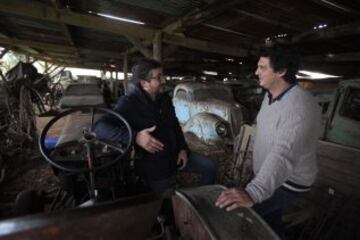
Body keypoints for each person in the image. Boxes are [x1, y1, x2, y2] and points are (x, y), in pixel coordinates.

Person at [215, 44, 322, 237]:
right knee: (270, 222)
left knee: (242, 216)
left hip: (289, 181)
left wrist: (254, 192)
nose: (256, 72)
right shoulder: (270, 96)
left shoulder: (299, 107)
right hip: (271, 175)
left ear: (281, 71)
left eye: (262, 67)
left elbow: (283, 153)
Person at [95, 58, 217, 194]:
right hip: (154, 166)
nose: (164, 81)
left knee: (209, 167)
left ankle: (203, 198)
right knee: (165, 203)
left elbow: (175, 125)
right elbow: (100, 127)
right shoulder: (129, 103)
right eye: (158, 77)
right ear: (144, 83)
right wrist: (136, 137)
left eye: (162, 76)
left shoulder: (164, 99)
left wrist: (182, 148)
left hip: (176, 155)